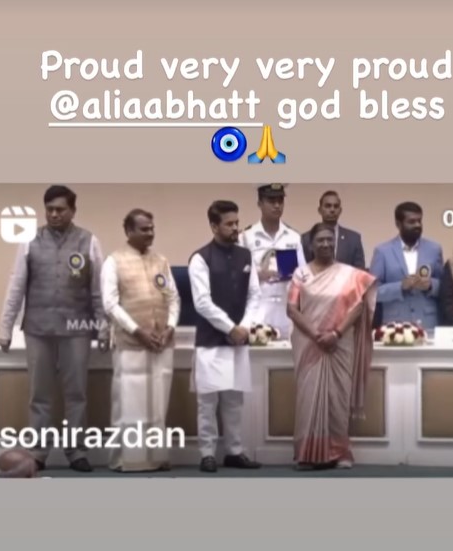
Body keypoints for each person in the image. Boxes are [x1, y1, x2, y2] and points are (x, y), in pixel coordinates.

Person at [0, 185, 108, 473]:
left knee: (76, 394)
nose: (54, 214)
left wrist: (104, 328)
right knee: (40, 395)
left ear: (73, 211)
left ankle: (77, 451)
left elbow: (98, 290)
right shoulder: (29, 241)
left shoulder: (89, 241)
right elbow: (16, 285)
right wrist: (5, 328)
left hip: (77, 329)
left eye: (60, 209)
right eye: (50, 209)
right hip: (38, 330)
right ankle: (38, 452)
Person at [286, 223, 377, 470]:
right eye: (320, 240)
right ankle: (307, 454)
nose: (326, 244)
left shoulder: (349, 275)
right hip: (310, 344)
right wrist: (317, 335)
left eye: (329, 239)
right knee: (308, 399)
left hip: (340, 344)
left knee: (338, 399)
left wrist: (336, 334)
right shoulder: (300, 274)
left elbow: (359, 306)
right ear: (311, 244)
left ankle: (339, 453)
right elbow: (292, 309)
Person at [101, 209, 181, 472]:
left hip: (161, 343)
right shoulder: (114, 261)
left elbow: (173, 298)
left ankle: (156, 457)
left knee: (157, 404)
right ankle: (126, 460)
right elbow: (110, 304)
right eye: (144, 229)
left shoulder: (161, 261)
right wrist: (138, 332)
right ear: (129, 231)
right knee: (129, 404)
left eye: (152, 228)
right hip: (131, 343)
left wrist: (170, 328)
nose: (150, 233)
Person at [188, 200, 261, 473]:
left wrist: (244, 327)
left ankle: (234, 451)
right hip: (210, 342)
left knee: (234, 401)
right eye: (229, 224)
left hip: (239, 340)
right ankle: (207, 453)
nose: (235, 228)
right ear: (214, 226)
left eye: (236, 222)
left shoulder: (246, 256)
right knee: (207, 402)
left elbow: (255, 295)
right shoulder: (200, 258)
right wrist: (230, 328)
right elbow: (202, 302)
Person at [239, 184, 306, 339]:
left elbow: (303, 275)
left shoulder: (293, 237)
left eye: (280, 200)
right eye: (271, 200)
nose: (277, 205)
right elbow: (238, 275)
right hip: (258, 310)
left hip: (286, 311)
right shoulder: (247, 237)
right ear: (259, 203)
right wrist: (258, 274)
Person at [369, 202, 443, 330]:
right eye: (411, 222)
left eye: (419, 221)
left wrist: (430, 285)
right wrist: (400, 287)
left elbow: (444, 286)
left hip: (427, 323)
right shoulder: (383, 251)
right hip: (395, 325)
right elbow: (372, 292)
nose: (417, 225)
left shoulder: (434, 249)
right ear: (398, 224)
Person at [301, 190, 366, 268]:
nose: (332, 210)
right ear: (320, 210)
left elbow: (360, 270)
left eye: (336, 206)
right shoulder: (306, 239)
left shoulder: (354, 239)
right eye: (328, 206)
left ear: (340, 210)